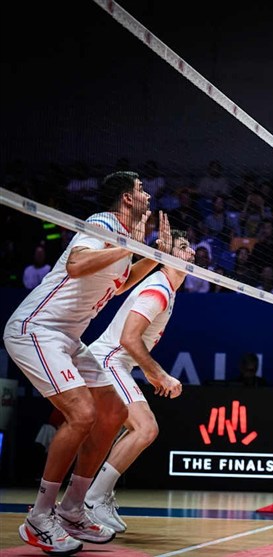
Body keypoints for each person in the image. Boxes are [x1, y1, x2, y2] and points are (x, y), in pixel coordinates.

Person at [4, 171, 170, 555]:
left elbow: (120, 283)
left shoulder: (121, 239)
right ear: (126, 198)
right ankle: (39, 517)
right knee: (82, 414)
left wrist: (152, 255)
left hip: (69, 338)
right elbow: (77, 265)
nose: (147, 194)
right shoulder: (103, 224)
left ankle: (72, 509)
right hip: (37, 329)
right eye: (141, 189)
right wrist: (130, 244)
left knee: (113, 412)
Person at [83, 230, 192, 533]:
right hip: (108, 361)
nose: (192, 253)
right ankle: (93, 499)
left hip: (115, 362)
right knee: (145, 428)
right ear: (168, 256)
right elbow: (129, 339)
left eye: (191, 247)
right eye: (184, 247)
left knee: (130, 430)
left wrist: (149, 370)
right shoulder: (158, 288)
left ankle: (93, 497)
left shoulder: (167, 288)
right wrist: (159, 373)